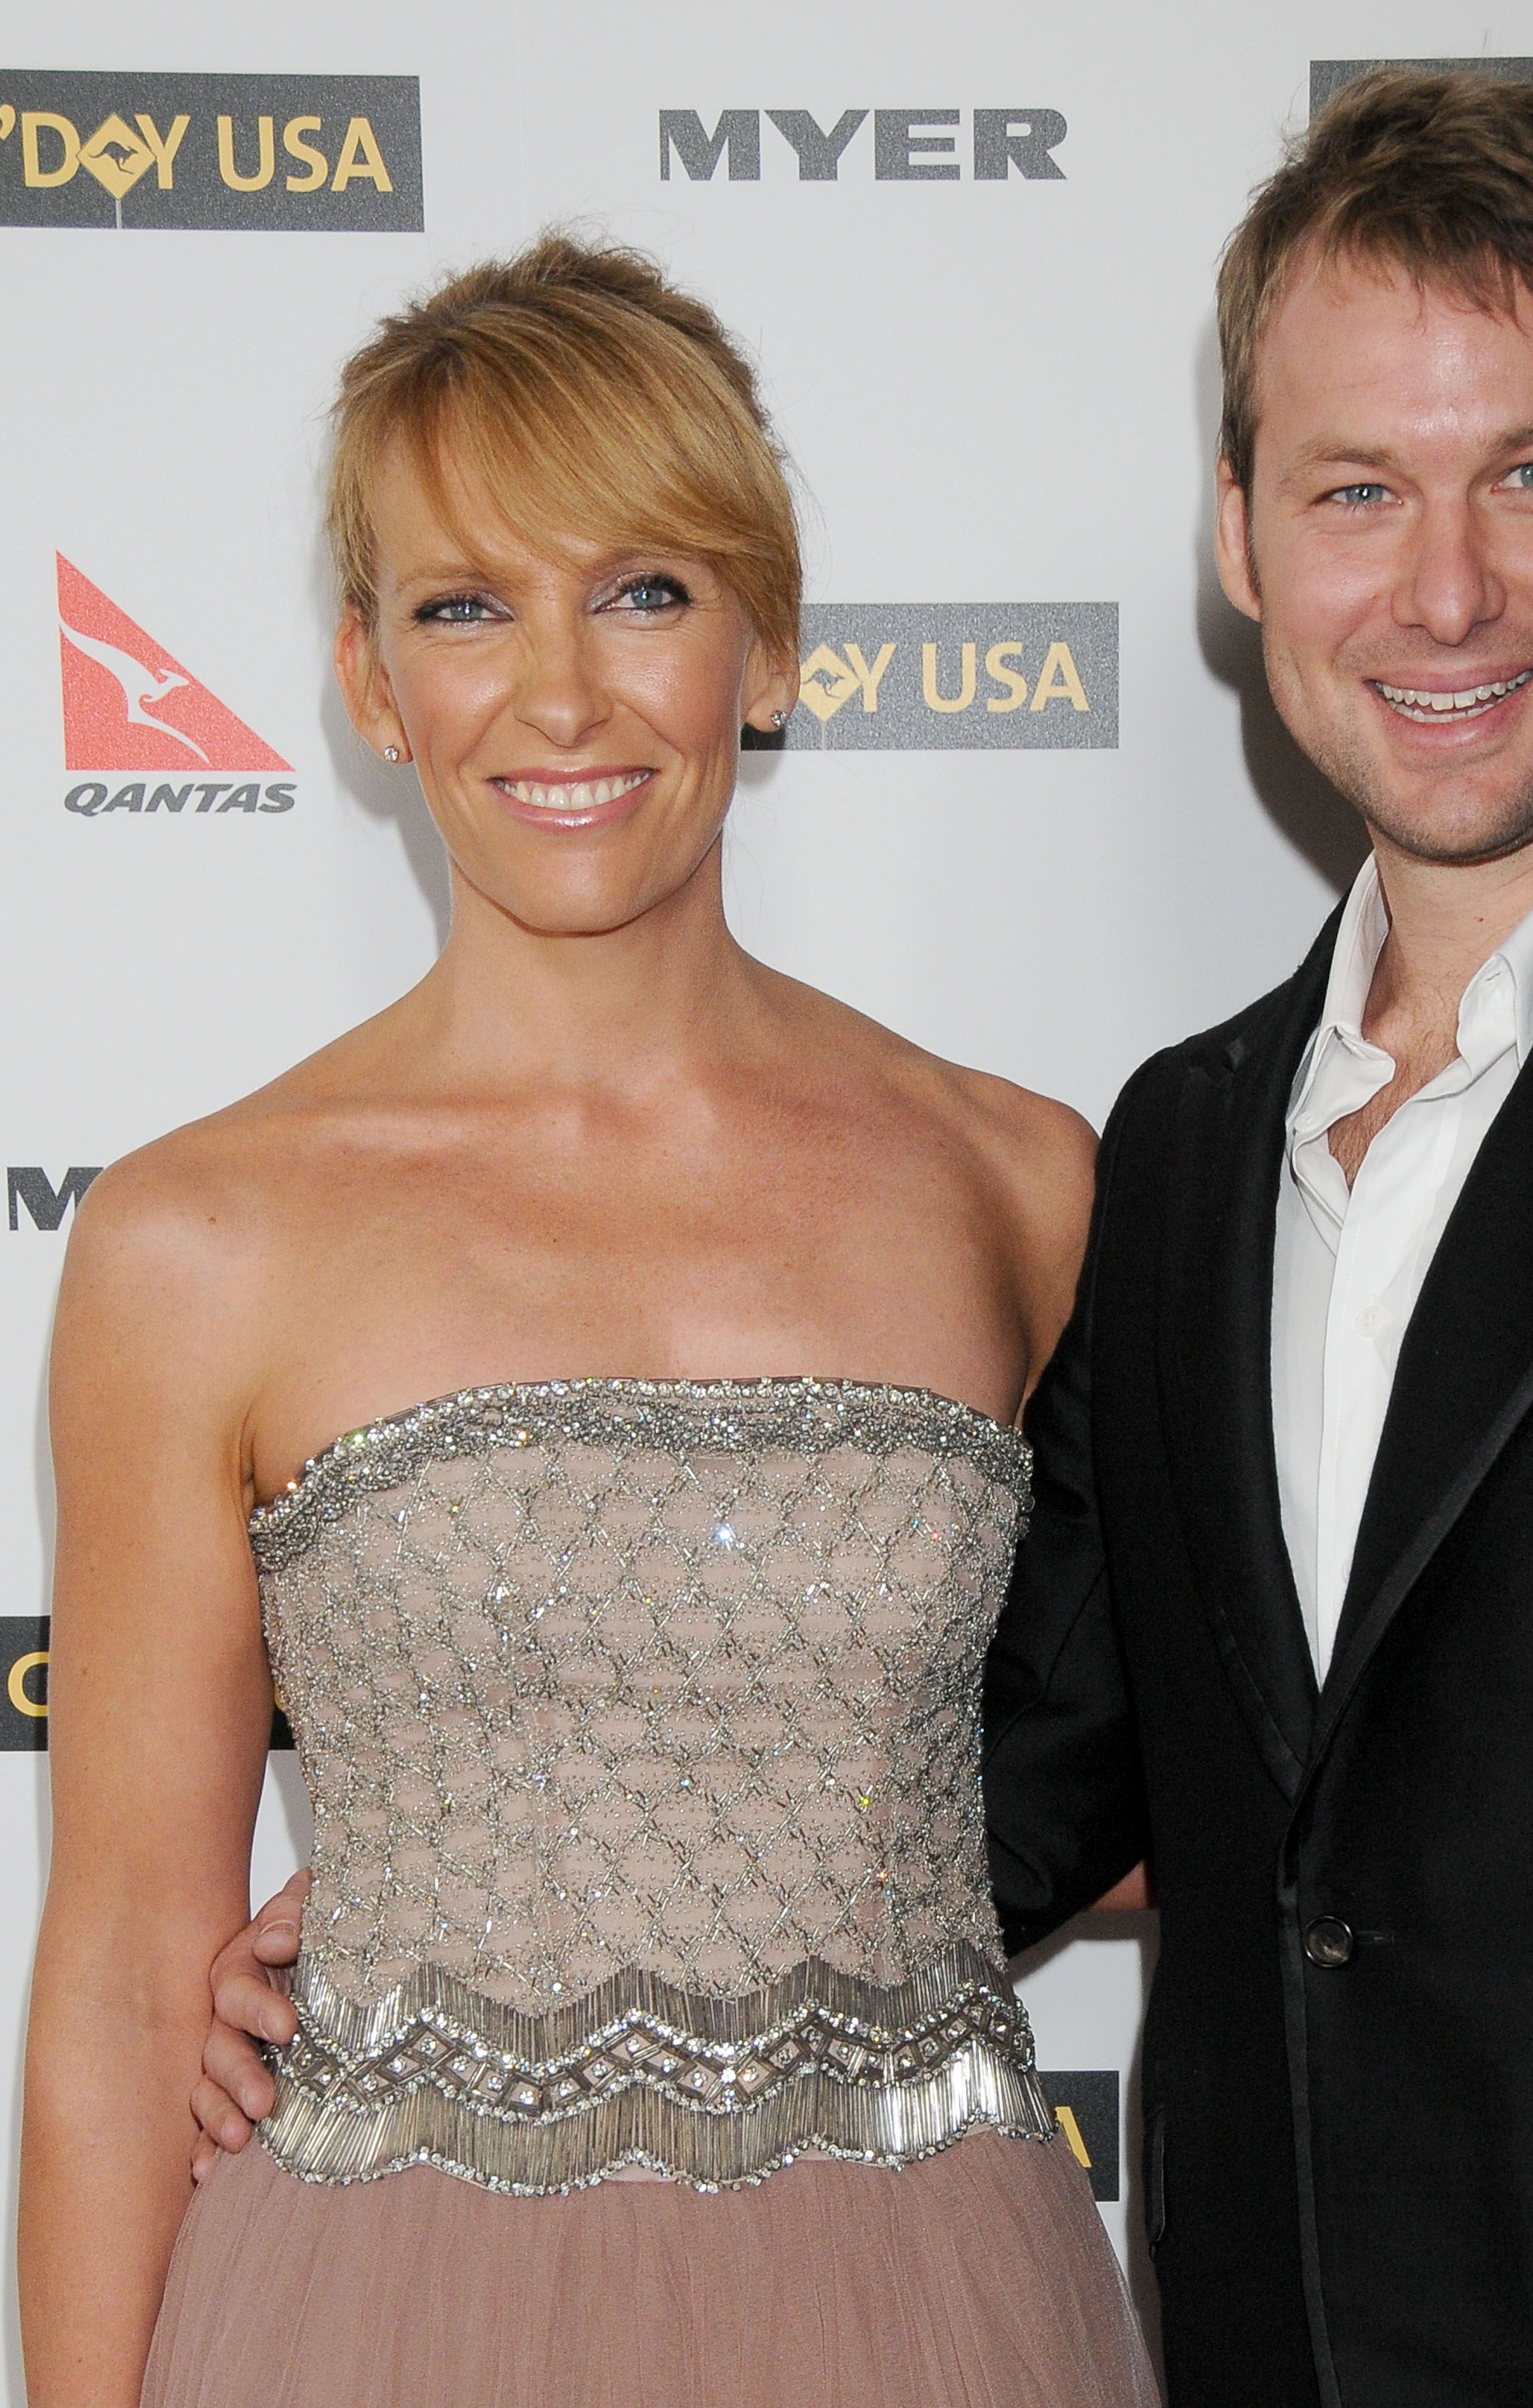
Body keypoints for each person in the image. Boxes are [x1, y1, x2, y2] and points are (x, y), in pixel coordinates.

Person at [196, 65, 1533, 2405]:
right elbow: (1022, 1769)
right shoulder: (1179, 1149)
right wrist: (478, 1909)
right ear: (1241, 536)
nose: (1446, 586)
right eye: (1356, 490)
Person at [20, 234, 1160, 2408]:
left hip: (932, 2308)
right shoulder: (199, 1238)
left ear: (771, 638)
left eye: (641, 590)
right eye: (466, 606)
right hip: (382, 2311)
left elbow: (1154, 1756)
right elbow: (110, 1995)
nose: (559, 692)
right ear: (368, 678)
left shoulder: (1019, 1182)